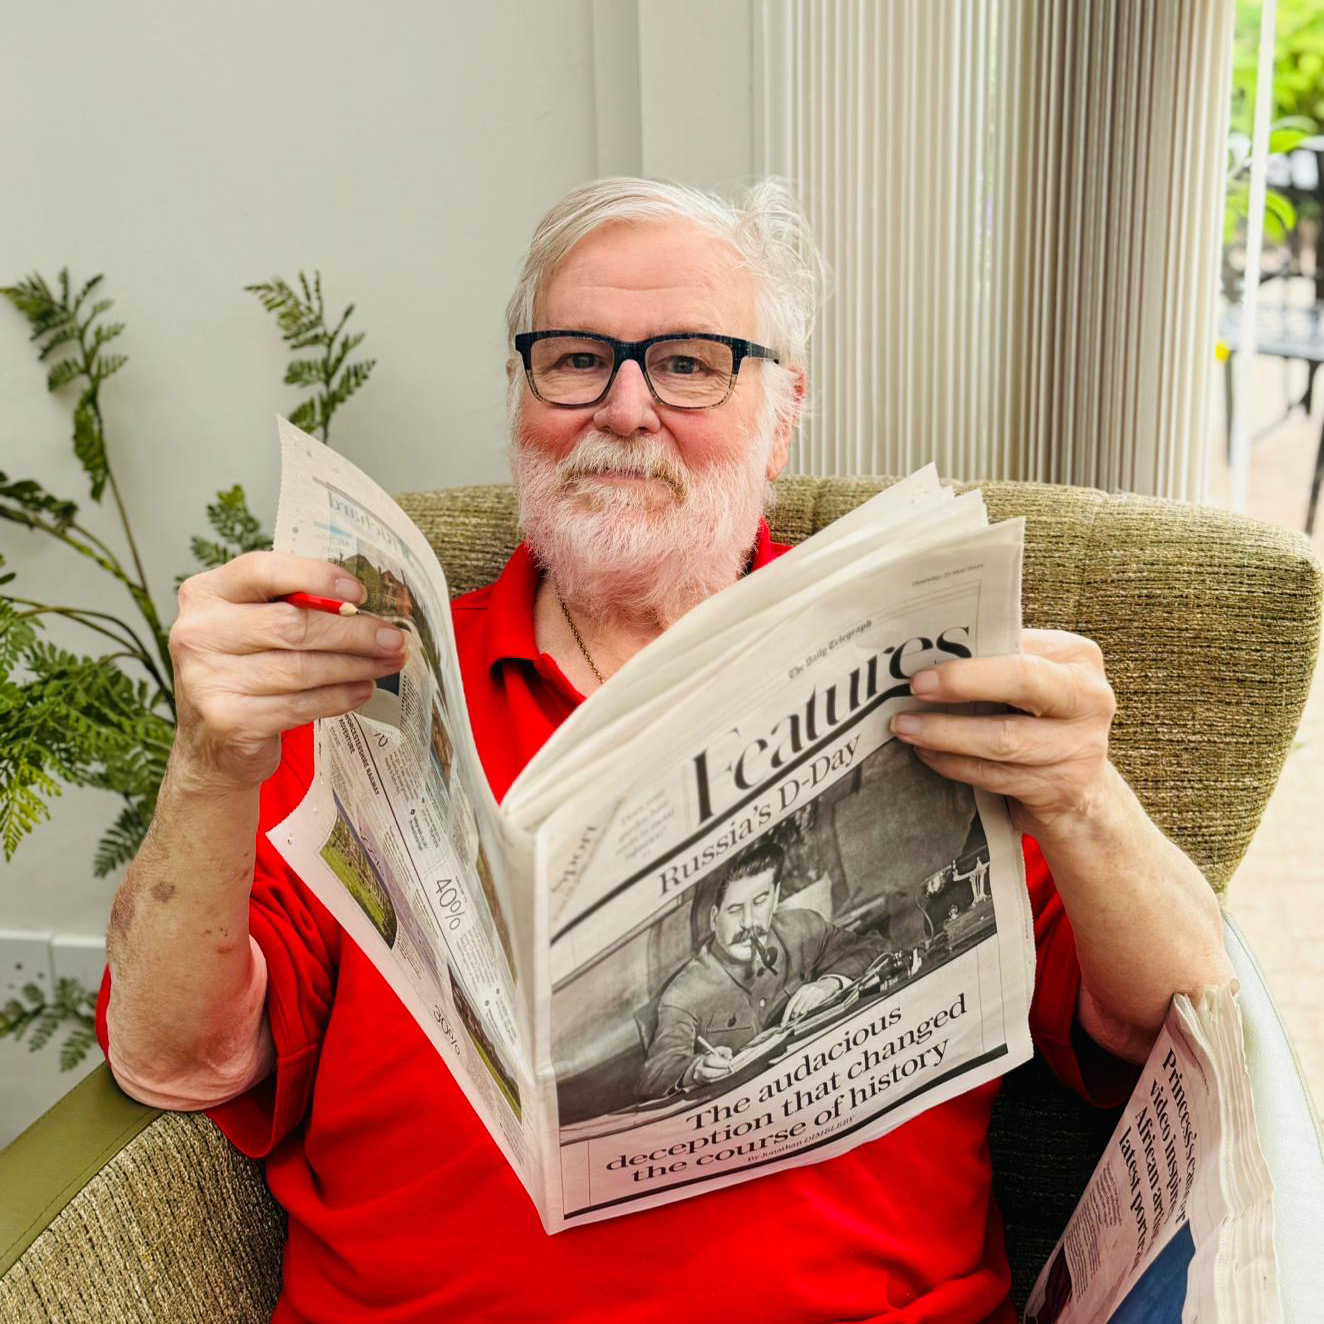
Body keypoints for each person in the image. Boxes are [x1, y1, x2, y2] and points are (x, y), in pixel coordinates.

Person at [98, 177, 1232, 1324]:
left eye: (690, 362)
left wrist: (1085, 798)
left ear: (781, 414)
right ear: (519, 393)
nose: (625, 409)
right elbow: (177, 1062)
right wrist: (209, 763)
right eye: (576, 357)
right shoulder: (363, 684)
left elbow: (1175, 1032)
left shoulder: (921, 667)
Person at [636, 838, 885, 1098]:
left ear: (776, 897)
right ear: (713, 918)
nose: (748, 923)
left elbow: (873, 947)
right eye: (734, 910)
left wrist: (829, 983)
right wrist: (695, 1069)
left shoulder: (802, 927)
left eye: (759, 901)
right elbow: (653, 1073)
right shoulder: (684, 992)